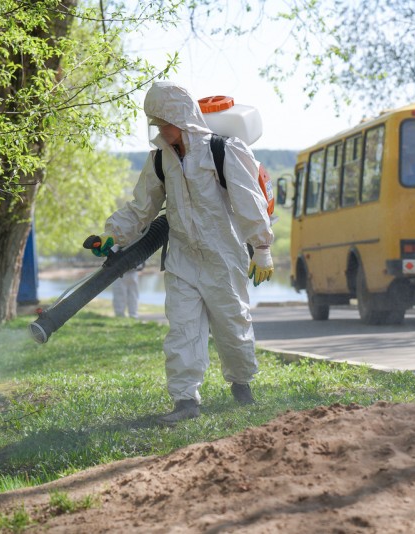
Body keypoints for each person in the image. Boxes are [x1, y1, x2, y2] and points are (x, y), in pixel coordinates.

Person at [92, 81, 274, 424]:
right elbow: (141, 208)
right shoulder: (161, 161)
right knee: (183, 330)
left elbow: (250, 201)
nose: (161, 129)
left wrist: (262, 247)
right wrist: (111, 235)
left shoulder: (223, 150)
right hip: (183, 259)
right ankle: (185, 400)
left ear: (183, 117)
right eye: (156, 123)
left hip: (224, 256)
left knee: (232, 326)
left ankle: (242, 384)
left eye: (165, 122)